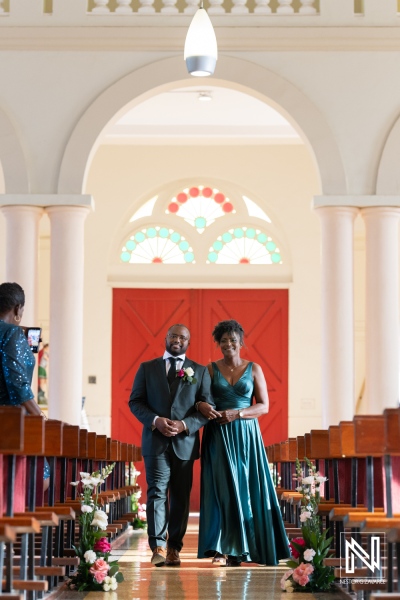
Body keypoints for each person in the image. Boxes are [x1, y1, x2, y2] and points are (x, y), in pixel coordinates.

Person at [197, 319, 290, 566]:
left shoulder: (254, 368)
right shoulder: (209, 369)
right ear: (218, 343)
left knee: (247, 489)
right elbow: (199, 400)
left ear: (241, 341)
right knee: (223, 490)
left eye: (233, 339)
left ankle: (249, 546)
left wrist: (237, 413)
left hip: (246, 434)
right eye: (224, 340)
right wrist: (201, 406)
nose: (229, 343)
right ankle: (225, 548)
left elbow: (264, 406)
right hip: (217, 435)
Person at [128, 323, 218, 568]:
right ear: (166, 338)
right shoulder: (147, 368)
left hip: (185, 443)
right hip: (155, 441)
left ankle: (174, 548)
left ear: (189, 342)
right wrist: (155, 420)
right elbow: (135, 402)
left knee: (180, 496)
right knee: (156, 491)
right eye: (174, 335)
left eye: (183, 337)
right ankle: (156, 545)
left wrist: (184, 425)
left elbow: (206, 409)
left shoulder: (199, 371)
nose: (178, 340)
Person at [0, 282, 50, 484]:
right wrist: (40, 416)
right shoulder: (12, 333)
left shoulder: (15, 333)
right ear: (17, 308)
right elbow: (18, 385)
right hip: (12, 421)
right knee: (41, 479)